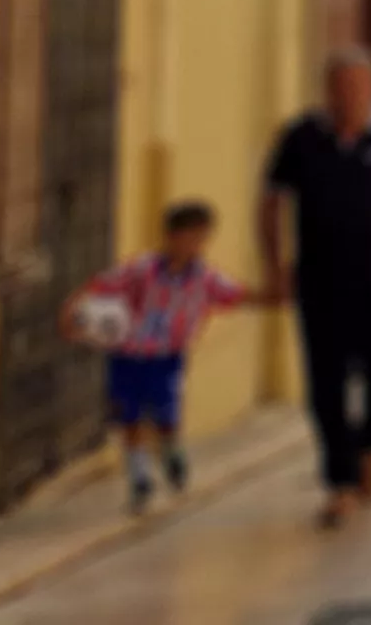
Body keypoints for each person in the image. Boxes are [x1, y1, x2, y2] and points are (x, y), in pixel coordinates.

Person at [260, 46, 371, 529]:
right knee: (325, 385)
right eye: (340, 88)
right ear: (327, 90)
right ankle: (339, 482)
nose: (348, 97)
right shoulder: (302, 137)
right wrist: (275, 264)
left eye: (357, 87)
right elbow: (271, 198)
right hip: (319, 282)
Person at [63, 199, 268, 515]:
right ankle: (140, 478)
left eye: (202, 238)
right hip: (128, 355)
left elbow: (236, 295)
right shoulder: (141, 270)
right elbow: (102, 283)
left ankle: (171, 452)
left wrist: (275, 296)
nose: (196, 245)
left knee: (165, 414)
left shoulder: (204, 278)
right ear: (172, 236)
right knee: (128, 416)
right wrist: (72, 311)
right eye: (191, 237)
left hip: (167, 357)